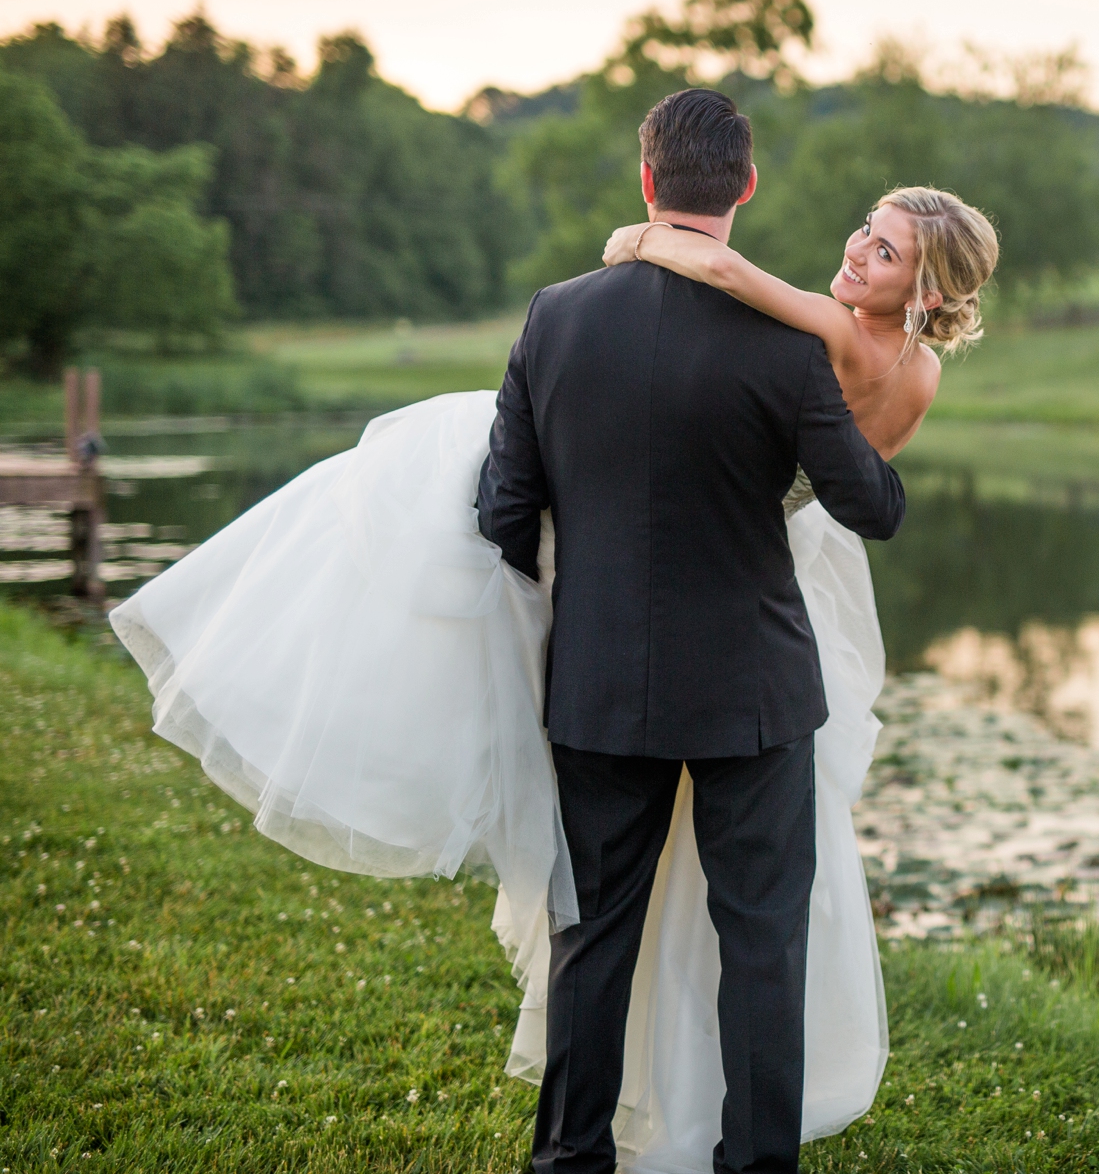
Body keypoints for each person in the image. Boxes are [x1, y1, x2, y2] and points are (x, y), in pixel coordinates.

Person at [108, 86, 999, 1174]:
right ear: (747, 188)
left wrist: (570, 583)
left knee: (594, 932)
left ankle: (569, 1159)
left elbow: (500, 510)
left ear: (644, 182)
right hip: (753, 690)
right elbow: (870, 505)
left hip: (598, 679)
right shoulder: (788, 349)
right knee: (761, 941)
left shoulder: (555, 315)